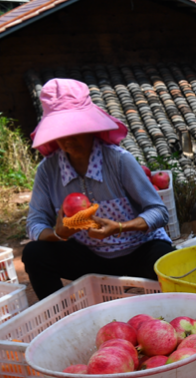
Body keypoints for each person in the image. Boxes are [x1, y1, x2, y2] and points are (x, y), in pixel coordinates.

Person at [22, 78, 174, 300]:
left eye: (73, 128)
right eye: (59, 130)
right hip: (89, 258)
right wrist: (58, 234)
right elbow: (35, 222)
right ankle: (61, 322)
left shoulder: (119, 161)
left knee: (165, 261)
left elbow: (159, 212)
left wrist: (120, 227)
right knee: (35, 254)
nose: (66, 139)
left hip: (137, 251)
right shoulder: (48, 170)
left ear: (90, 126)